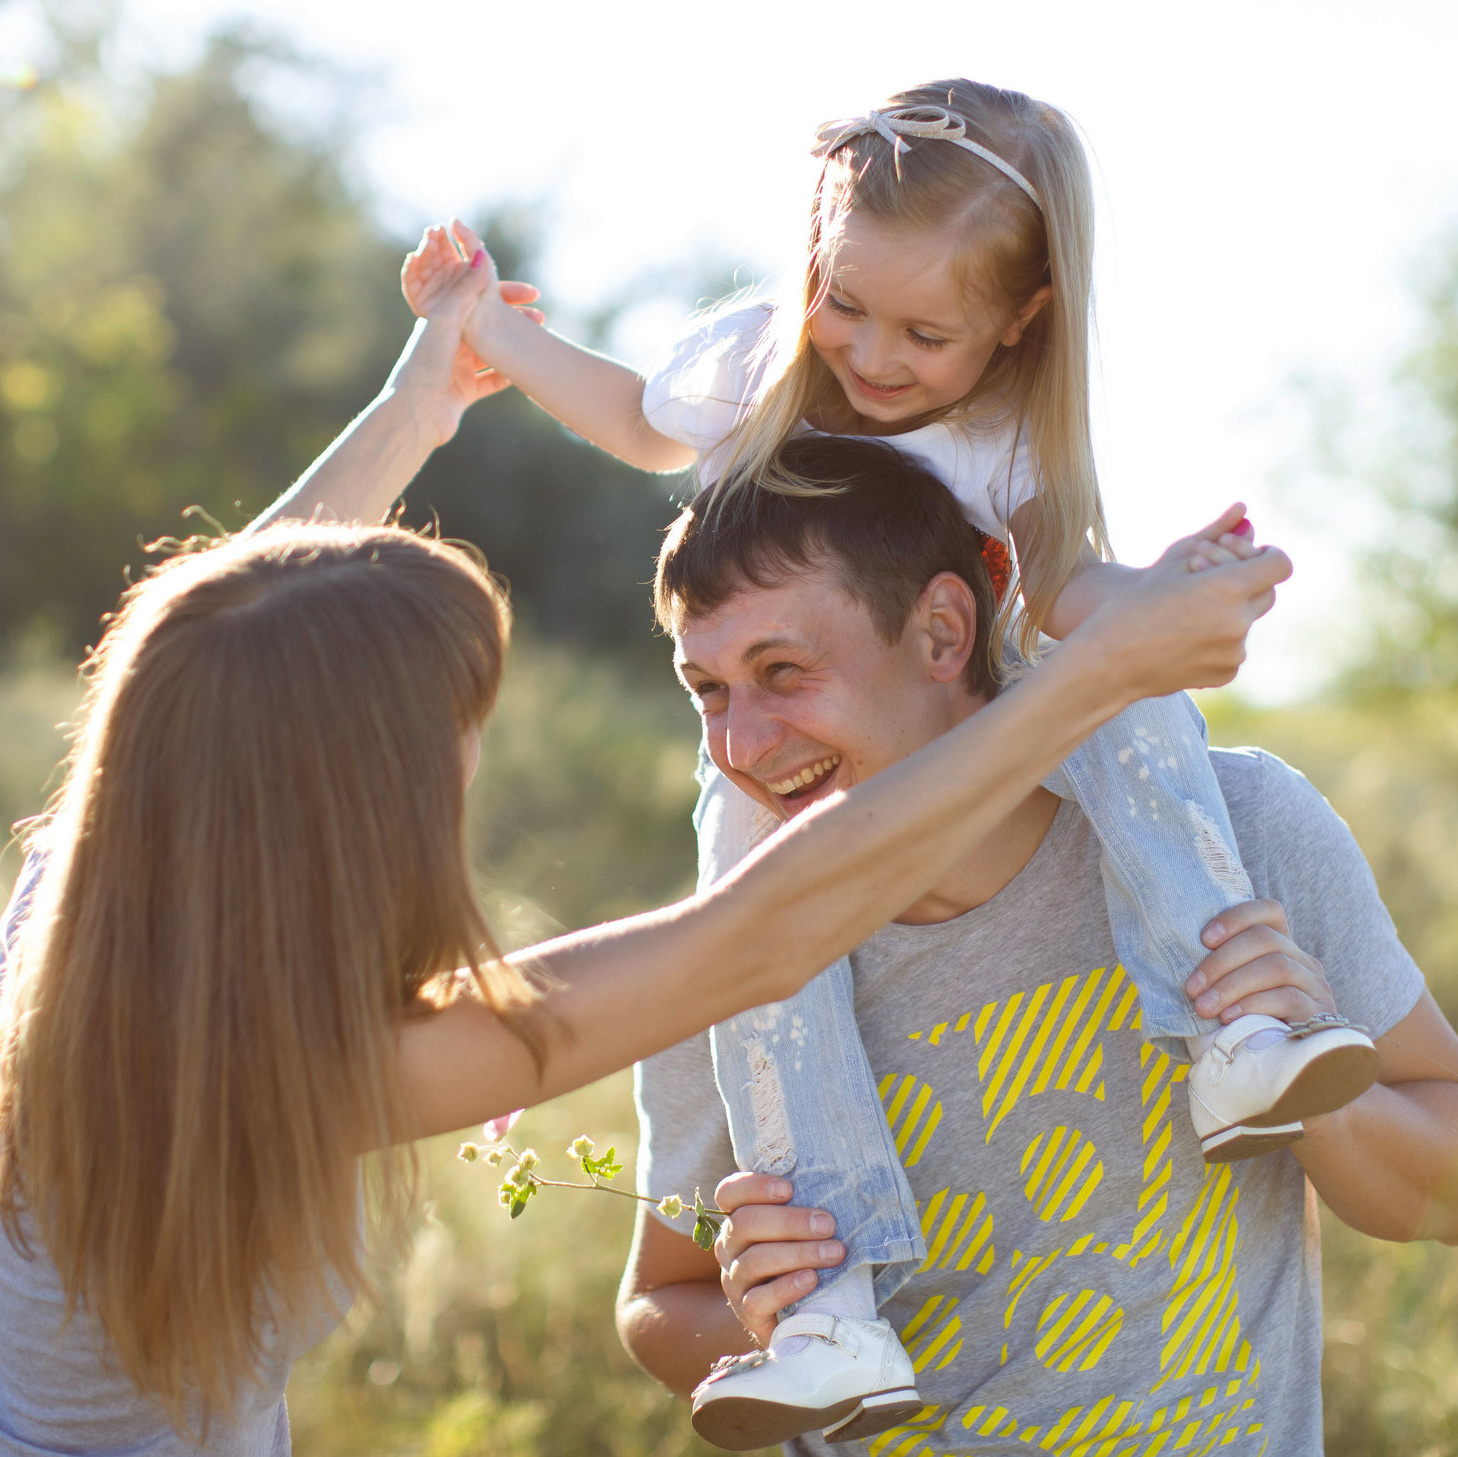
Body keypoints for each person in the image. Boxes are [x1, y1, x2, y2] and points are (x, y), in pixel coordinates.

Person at [0, 216, 1285, 1454]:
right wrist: (1094, 672)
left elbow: (205, 657)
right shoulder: (277, 1056)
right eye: (462, 729)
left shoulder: (84, 906)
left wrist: (420, 402)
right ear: (359, 801)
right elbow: (758, 933)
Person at [401, 76, 1375, 1433]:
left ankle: (1237, 1017)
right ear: (810, 263)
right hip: (780, 812)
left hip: (1012, 718)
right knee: (761, 960)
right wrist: (489, 333)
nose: (869, 353)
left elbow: (1068, 603)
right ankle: (826, 1311)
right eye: (844, 303)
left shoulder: (999, 442)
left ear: (1015, 322)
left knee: (1140, 711)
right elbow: (633, 421)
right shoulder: (757, 364)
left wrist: (1170, 595)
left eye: (925, 330)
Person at [618, 442, 1458, 1456]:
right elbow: (659, 1298)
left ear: (941, 629)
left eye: (784, 671)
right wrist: (753, 1315)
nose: (740, 745)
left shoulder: (1235, 833)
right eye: (707, 689)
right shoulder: (722, 955)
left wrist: (1324, 1090)